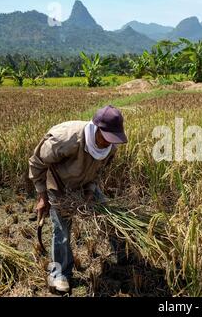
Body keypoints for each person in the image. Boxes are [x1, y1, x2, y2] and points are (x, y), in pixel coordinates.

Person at [28, 105, 128, 293]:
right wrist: (42, 195)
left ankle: (123, 254)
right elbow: (36, 162)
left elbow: (98, 172)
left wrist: (90, 192)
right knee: (62, 231)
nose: (109, 143)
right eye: (107, 138)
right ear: (97, 129)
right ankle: (59, 274)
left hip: (85, 183)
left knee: (110, 215)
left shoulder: (111, 147)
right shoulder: (65, 139)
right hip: (59, 185)